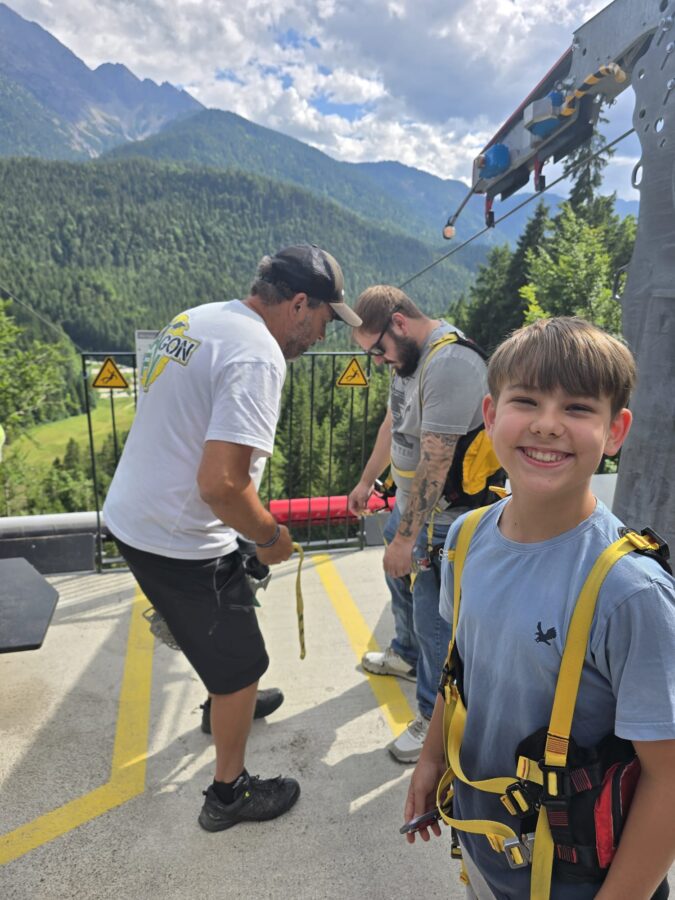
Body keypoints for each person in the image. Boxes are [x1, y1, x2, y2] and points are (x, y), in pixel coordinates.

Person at [406, 317, 675, 899]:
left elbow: (669, 779)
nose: (548, 425)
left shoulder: (629, 591)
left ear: (616, 430)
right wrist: (432, 759)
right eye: (525, 401)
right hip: (485, 846)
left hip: (579, 882)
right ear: (490, 415)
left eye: (578, 408)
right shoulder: (468, 537)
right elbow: (461, 671)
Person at [103, 244, 361, 832]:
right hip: (180, 538)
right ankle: (228, 794)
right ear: (299, 304)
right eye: (324, 320)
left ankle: (221, 705)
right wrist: (270, 537)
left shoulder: (198, 318)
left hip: (137, 515)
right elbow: (221, 485)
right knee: (244, 662)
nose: (322, 337)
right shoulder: (258, 356)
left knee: (218, 641)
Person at [348, 285, 495, 762]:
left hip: (443, 520)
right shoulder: (409, 360)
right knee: (400, 584)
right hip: (408, 509)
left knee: (434, 615)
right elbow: (394, 424)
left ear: (398, 323)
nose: (376, 362)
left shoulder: (450, 363)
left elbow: (437, 459)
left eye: (377, 351)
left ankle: (432, 717)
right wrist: (368, 482)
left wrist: (409, 537)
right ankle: (406, 655)